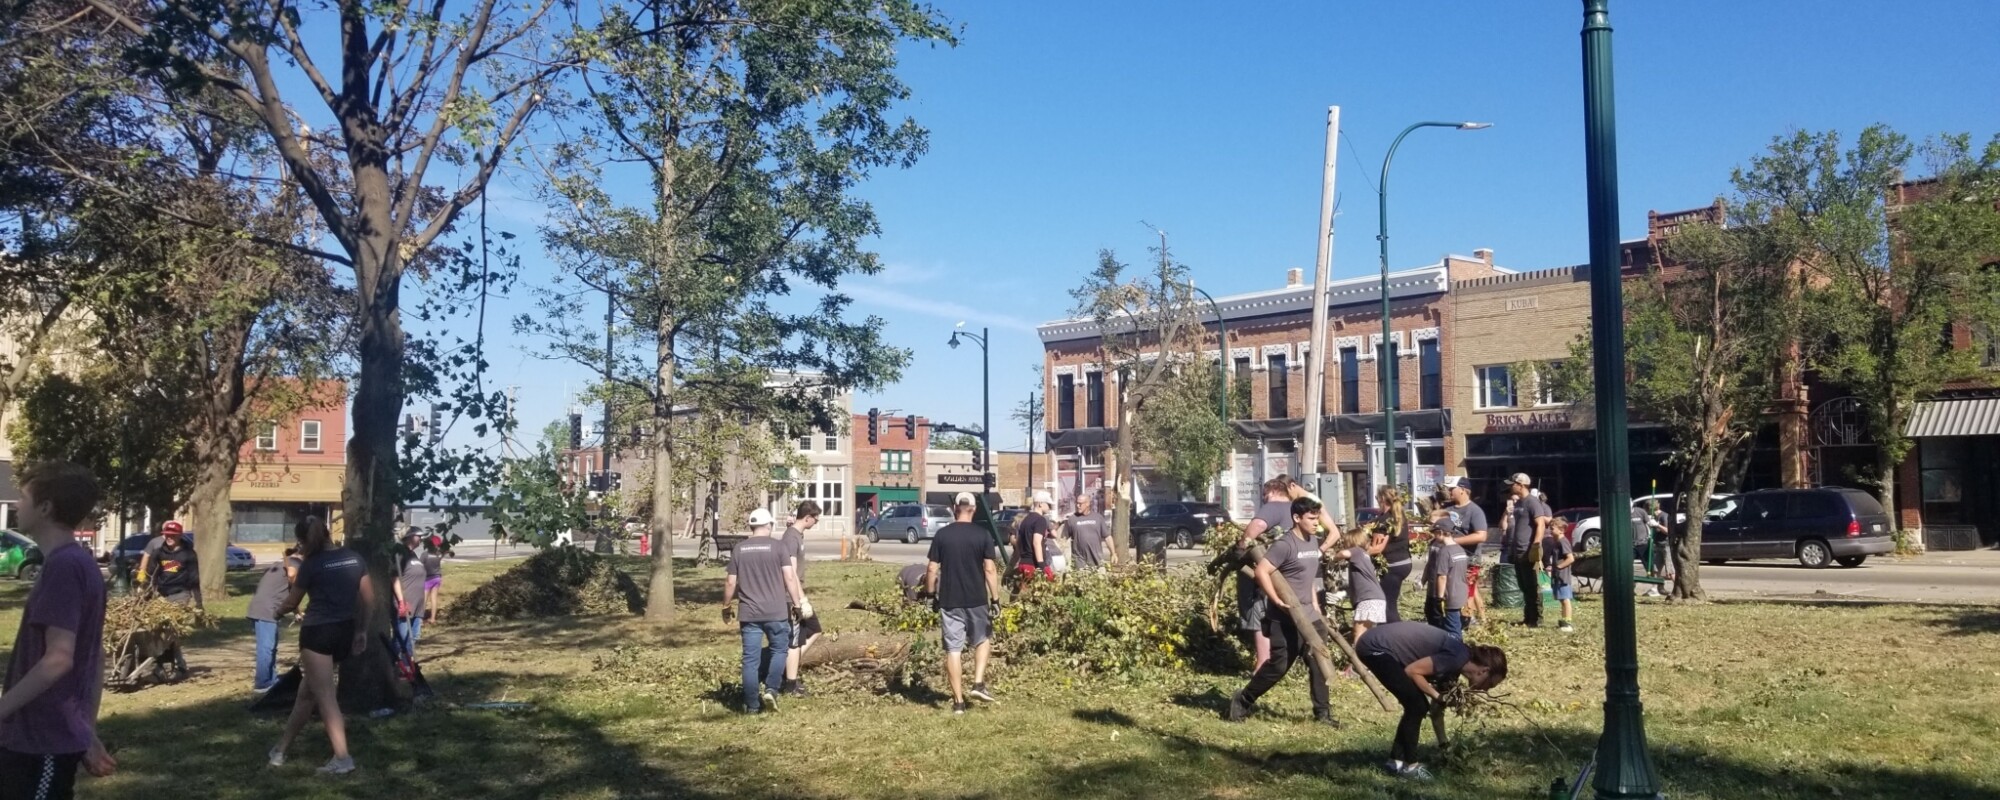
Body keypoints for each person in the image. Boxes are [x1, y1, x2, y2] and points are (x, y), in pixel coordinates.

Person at [0, 463, 116, 798]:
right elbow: (94, 658)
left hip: (41, 741)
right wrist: (87, 733)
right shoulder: (77, 563)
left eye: (23, 498)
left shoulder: (64, 568)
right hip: (45, 738)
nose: (18, 505)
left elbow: (59, 659)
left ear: (46, 507)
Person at [269, 516, 370, 775]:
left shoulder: (311, 565)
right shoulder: (354, 558)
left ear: (303, 541)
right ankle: (280, 750)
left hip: (318, 633)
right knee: (307, 693)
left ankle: (342, 759)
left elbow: (292, 602)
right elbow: (368, 599)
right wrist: (361, 630)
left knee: (325, 697)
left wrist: (277, 613)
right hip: (345, 630)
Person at [1227, 496, 1337, 727]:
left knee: (1319, 661)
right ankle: (1244, 699)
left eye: (1317, 518)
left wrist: (1316, 607)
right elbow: (1261, 572)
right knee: (1278, 666)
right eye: (1311, 518)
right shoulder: (1284, 545)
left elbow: (1307, 580)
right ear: (1296, 518)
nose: (1316, 523)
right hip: (1284, 617)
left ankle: (1323, 714)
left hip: (1310, 615)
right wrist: (1275, 599)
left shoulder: (1313, 542)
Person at [1356, 621, 1509, 782]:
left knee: (1416, 705)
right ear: (1484, 670)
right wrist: (1437, 696)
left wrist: (1445, 747)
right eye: (1489, 684)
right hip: (1375, 647)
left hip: (1380, 646)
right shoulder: (1456, 659)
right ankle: (1411, 766)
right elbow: (1412, 671)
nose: (1485, 690)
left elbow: (1437, 710)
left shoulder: (1456, 665)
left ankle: (1395, 762)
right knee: (1416, 706)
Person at [722, 509, 806, 714]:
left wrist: (725, 606)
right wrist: (797, 604)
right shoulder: (778, 547)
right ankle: (771, 689)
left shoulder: (739, 549)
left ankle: (752, 706)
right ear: (769, 525)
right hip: (776, 612)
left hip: (749, 614)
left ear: (752, 526)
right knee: (780, 650)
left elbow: (730, 581)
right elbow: (790, 577)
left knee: (750, 659)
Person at [926, 493, 1001, 714]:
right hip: (977, 599)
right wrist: (995, 599)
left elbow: (931, 568)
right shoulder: (983, 534)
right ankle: (978, 683)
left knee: (953, 650)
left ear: (954, 508)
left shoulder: (942, 535)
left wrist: (930, 596)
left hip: (950, 600)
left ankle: (958, 703)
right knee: (983, 640)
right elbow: (990, 569)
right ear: (974, 509)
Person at [1232, 478, 1294, 672]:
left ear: (1273, 492)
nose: (1264, 499)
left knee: (1258, 611)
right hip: (1288, 569)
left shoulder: (1272, 506)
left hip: (1267, 568)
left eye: (1265, 495)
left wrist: (1241, 547)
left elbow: (1255, 527)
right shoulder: (1294, 509)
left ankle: (1263, 662)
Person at [142, 521, 200, 678]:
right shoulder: (159, 553)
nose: (169, 538)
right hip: (161, 596)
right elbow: (150, 575)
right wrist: (145, 593)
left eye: (173, 535)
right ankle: (160, 666)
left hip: (181, 594)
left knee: (171, 631)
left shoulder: (188, 554)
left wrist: (199, 604)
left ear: (179, 536)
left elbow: (195, 580)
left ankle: (179, 666)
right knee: (156, 630)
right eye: (167, 535)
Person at [780, 501, 824, 698]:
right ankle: (790, 682)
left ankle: (788, 667)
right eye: (815, 518)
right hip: (791, 597)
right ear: (807, 517)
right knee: (794, 641)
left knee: (814, 630)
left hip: (797, 594)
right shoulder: (791, 538)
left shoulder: (797, 535)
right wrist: (801, 600)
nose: (816, 522)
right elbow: (790, 572)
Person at [246, 546, 303, 693]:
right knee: (266, 648)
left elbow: (288, 590)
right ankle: (263, 684)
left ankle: (271, 679)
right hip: (266, 609)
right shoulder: (296, 563)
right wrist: (294, 578)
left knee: (271, 647)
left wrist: (296, 611)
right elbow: (292, 575)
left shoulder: (282, 564)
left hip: (265, 608)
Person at [1500, 473, 1551, 628]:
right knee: (1523, 586)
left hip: (1528, 550)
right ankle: (1528, 617)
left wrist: (1535, 545)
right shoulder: (1519, 503)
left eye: (1512, 484)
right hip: (1517, 550)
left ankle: (1537, 619)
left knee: (1532, 585)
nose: (1510, 486)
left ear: (1520, 485)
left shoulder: (1532, 502)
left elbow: (1540, 524)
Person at [1442, 477, 1491, 626]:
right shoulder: (1448, 509)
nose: (1449, 491)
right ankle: (1479, 618)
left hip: (1469, 559)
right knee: (1463, 589)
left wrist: (1453, 541)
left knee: (1467, 590)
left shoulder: (1474, 511)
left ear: (1463, 490)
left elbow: (1481, 535)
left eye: (1452, 489)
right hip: (1451, 558)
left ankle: (1467, 620)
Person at [1338, 520, 1390, 644]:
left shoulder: (1356, 551)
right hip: (1375, 598)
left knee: (1359, 635)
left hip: (1368, 599)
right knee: (1366, 634)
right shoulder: (1364, 555)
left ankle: (1357, 661)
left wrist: (1333, 557)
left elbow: (1343, 553)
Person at [1421, 514, 1470, 640]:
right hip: (1461, 593)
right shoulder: (1460, 550)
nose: (1434, 536)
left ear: (1441, 532)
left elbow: (1442, 576)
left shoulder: (1445, 551)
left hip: (1450, 596)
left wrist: (1439, 598)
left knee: (1452, 630)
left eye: (1435, 533)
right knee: (1455, 624)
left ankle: (1457, 652)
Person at [1373, 486, 1415, 624]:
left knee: (1386, 604)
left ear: (1382, 499)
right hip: (1404, 563)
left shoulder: (1384, 520)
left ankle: (1393, 634)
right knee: (1391, 601)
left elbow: (1377, 548)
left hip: (1391, 565)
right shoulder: (1399, 516)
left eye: (1377, 497)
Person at [393, 530, 428, 660]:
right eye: (418, 536)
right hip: (406, 604)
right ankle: (394, 664)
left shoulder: (413, 555)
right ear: (409, 537)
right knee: (401, 637)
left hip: (418, 605)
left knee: (413, 637)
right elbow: (395, 579)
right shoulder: (401, 554)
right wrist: (401, 601)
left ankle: (408, 667)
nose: (421, 539)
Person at [1012, 492, 1056, 588]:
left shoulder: (1025, 520)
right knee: (1044, 593)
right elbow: (1036, 542)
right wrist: (1041, 565)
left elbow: (1018, 542)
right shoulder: (1040, 520)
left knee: (1027, 595)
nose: (1050, 507)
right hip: (1034, 564)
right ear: (1040, 504)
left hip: (1024, 562)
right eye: (1048, 504)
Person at [1543, 516, 1578, 633]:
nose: (1550, 531)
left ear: (1561, 530)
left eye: (1552, 529)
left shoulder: (1563, 542)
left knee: (1565, 599)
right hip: (1557, 576)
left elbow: (1570, 558)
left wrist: (1559, 566)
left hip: (1563, 577)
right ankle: (1564, 620)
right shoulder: (1557, 542)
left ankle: (1568, 622)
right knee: (1561, 599)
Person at [1061, 495, 1109, 570]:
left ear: (1087, 504)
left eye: (1080, 503)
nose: (1078, 506)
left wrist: (1113, 553)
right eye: (1077, 503)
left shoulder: (1098, 518)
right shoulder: (1072, 519)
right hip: (1079, 562)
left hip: (1097, 560)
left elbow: (1107, 537)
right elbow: (1063, 539)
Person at [421, 535, 446, 623]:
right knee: (434, 598)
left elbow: (420, 566)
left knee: (424, 599)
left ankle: (420, 619)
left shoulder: (424, 555)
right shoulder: (439, 554)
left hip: (427, 578)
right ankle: (433, 618)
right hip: (437, 577)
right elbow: (445, 551)